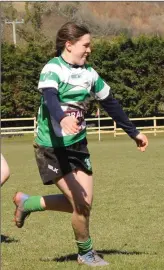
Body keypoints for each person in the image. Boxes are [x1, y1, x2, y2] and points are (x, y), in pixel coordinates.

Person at [12, 22, 149, 267]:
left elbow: (111, 103)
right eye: (85, 45)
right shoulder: (52, 69)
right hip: (51, 149)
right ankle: (85, 253)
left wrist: (133, 132)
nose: (89, 49)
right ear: (69, 44)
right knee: (80, 204)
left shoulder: (90, 74)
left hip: (77, 146)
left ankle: (28, 203)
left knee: (82, 205)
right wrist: (63, 118)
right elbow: (50, 98)